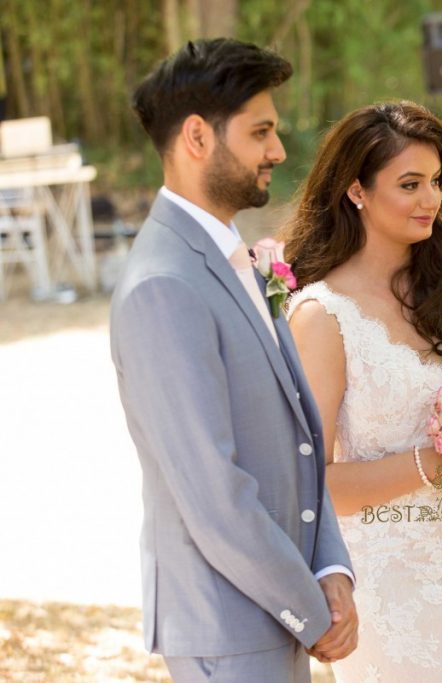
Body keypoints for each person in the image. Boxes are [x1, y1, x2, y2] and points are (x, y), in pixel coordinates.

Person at [110, 39, 357, 682]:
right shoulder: (162, 284)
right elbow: (212, 492)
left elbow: (302, 440)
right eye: (261, 132)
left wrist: (331, 570)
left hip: (271, 614)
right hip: (227, 627)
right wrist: (312, 606)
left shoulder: (232, 257)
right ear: (198, 137)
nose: (277, 150)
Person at [282, 101, 442, 681]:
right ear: (357, 191)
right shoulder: (325, 318)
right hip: (391, 593)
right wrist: (434, 465)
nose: (431, 200)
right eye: (410, 184)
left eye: (436, 183)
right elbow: (312, 486)